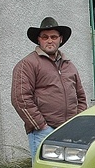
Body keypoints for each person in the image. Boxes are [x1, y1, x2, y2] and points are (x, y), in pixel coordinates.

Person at [11, 17, 87, 159]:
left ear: (61, 39)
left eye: (53, 37)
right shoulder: (28, 64)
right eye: (45, 37)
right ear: (38, 40)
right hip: (44, 132)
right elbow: (20, 98)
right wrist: (41, 126)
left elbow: (81, 98)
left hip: (69, 131)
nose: (50, 40)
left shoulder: (69, 65)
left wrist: (76, 123)